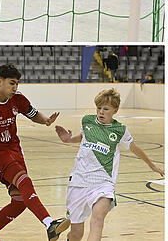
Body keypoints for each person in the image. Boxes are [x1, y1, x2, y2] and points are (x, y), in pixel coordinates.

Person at [0, 64, 69, 240]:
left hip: (15, 149)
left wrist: (45, 121)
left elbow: (31, 113)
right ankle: (49, 223)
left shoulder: (18, 98)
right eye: (12, 83)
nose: (15, 88)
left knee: (20, 201)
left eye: (17, 84)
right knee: (24, 180)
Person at [55, 88, 164, 241]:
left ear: (115, 110)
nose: (101, 111)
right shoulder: (87, 120)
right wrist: (68, 139)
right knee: (76, 235)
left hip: (103, 183)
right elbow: (83, 137)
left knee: (98, 220)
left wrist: (151, 165)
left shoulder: (120, 130)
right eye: (98, 108)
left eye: (105, 109)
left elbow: (134, 148)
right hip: (79, 182)